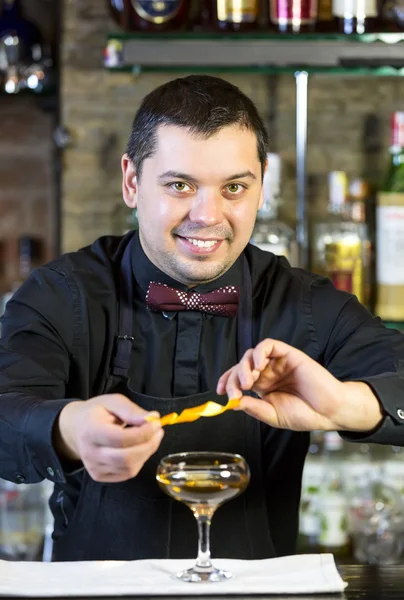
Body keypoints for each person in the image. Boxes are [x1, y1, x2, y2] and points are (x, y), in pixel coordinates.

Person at [1, 75, 404, 563]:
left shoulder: (308, 303)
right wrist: (67, 427)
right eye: (179, 185)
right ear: (132, 182)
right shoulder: (62, 293)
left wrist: (346, 404)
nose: (207, 215)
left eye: (233, 187)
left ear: (260, 189)